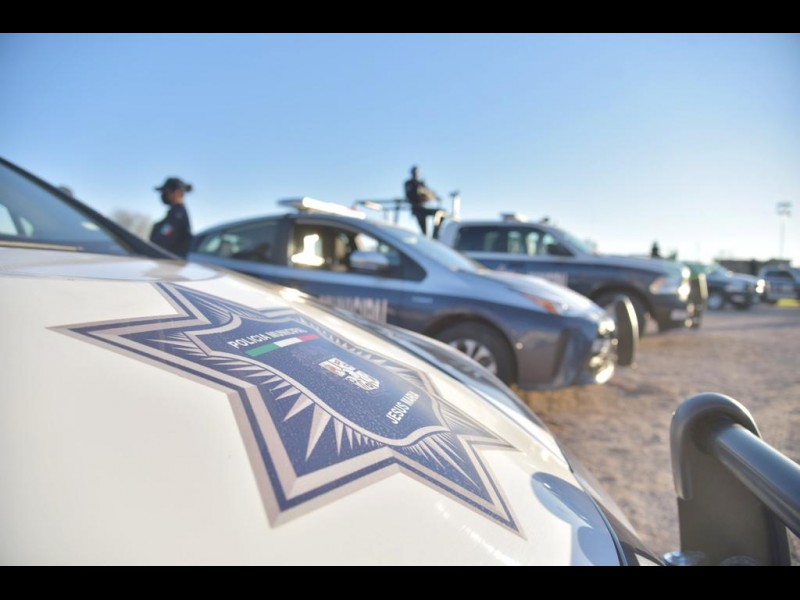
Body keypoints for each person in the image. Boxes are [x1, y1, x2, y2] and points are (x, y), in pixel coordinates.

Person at [150, 177, 193, 258]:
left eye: (166, 192)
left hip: (169, 263)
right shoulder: (175, 213)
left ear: (177, 193)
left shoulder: (177, 216)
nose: (163, 195)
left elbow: (161, 242)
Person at [404, 166, 445, 237]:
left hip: (424, 207)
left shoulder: (421, 183)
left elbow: (429, 192)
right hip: (417, 209)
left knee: (440, 213)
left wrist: (435, 197)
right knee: (424, 232)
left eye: (417, 172)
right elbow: (411, 195)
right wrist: (420, 193)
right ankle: (428, 238)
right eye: (415, 172)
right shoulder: (409, 183)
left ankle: (435, 235)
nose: (416, 174)